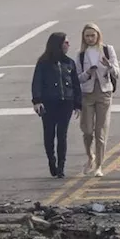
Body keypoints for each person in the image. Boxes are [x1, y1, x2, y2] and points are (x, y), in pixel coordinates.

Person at [31, 32, 80, 178]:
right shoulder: (43, 63)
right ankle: (51, 161)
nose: (68, 45)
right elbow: (37, 82)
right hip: (49, 103)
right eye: (66, 42)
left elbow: (75, 84)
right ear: (58, 44)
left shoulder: (69, 62)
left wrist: (78, 103)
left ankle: (61, 166)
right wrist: (37, 101)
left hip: (66, 103)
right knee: (49, 134)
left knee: (62, 134)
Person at [75, 23, 119, 177]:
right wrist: (88, 72)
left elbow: (117, 73)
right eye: (87, 36)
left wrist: (109, 66)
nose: (90, 38)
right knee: (87, 130)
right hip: (87, 94)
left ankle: (99, 165)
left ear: (98, 35)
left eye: (93, 35)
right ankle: (90, 156)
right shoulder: (81, 55)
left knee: (100, 131)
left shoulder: (107, 50)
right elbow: (78, 78)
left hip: (104, 93)